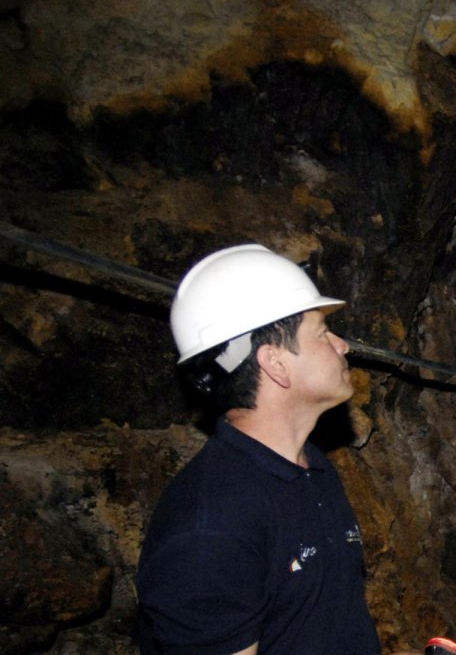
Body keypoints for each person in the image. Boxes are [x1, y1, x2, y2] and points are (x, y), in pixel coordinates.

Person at [136, 244, 383, 654]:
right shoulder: (211, 525)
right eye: (322, 333)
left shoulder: (312, 469)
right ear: (275, 363)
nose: (343, 345)